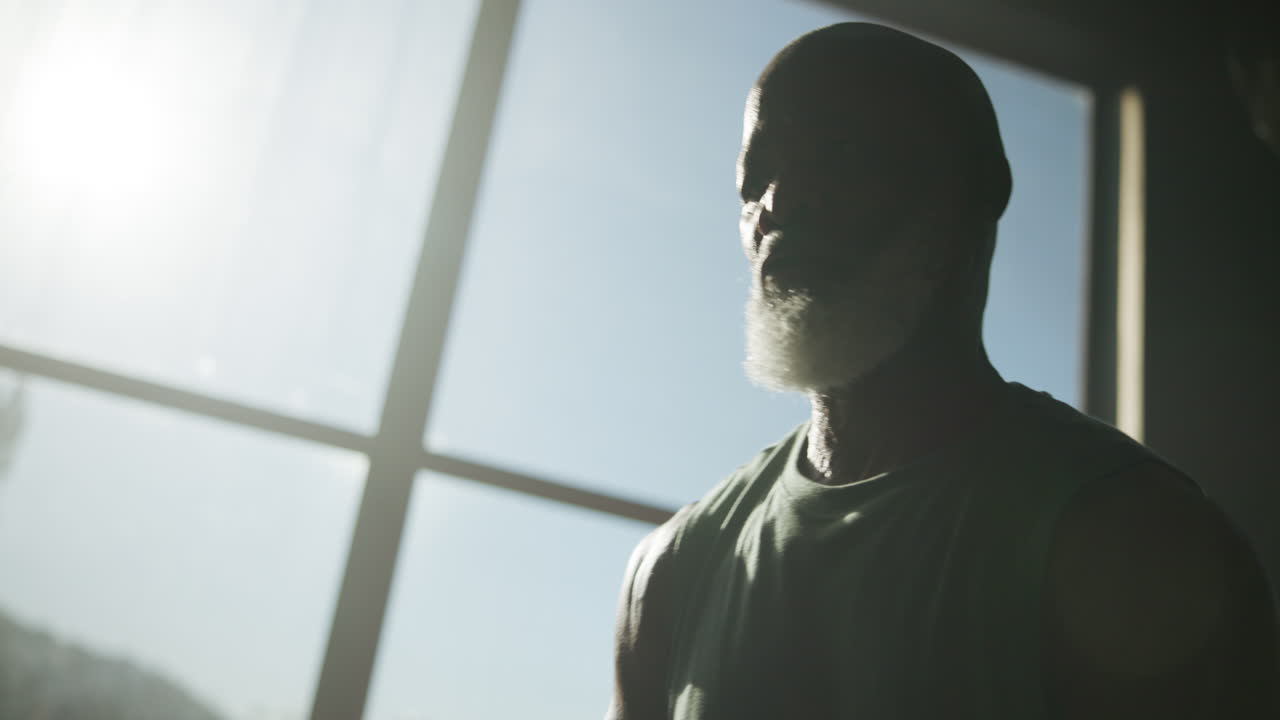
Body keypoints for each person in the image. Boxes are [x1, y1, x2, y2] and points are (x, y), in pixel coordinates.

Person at [607, 22, 1279, 720]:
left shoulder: (1138, 544)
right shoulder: (669, 575)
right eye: (757, 175)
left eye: (839, 154)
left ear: (975, 190)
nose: (778, 201)